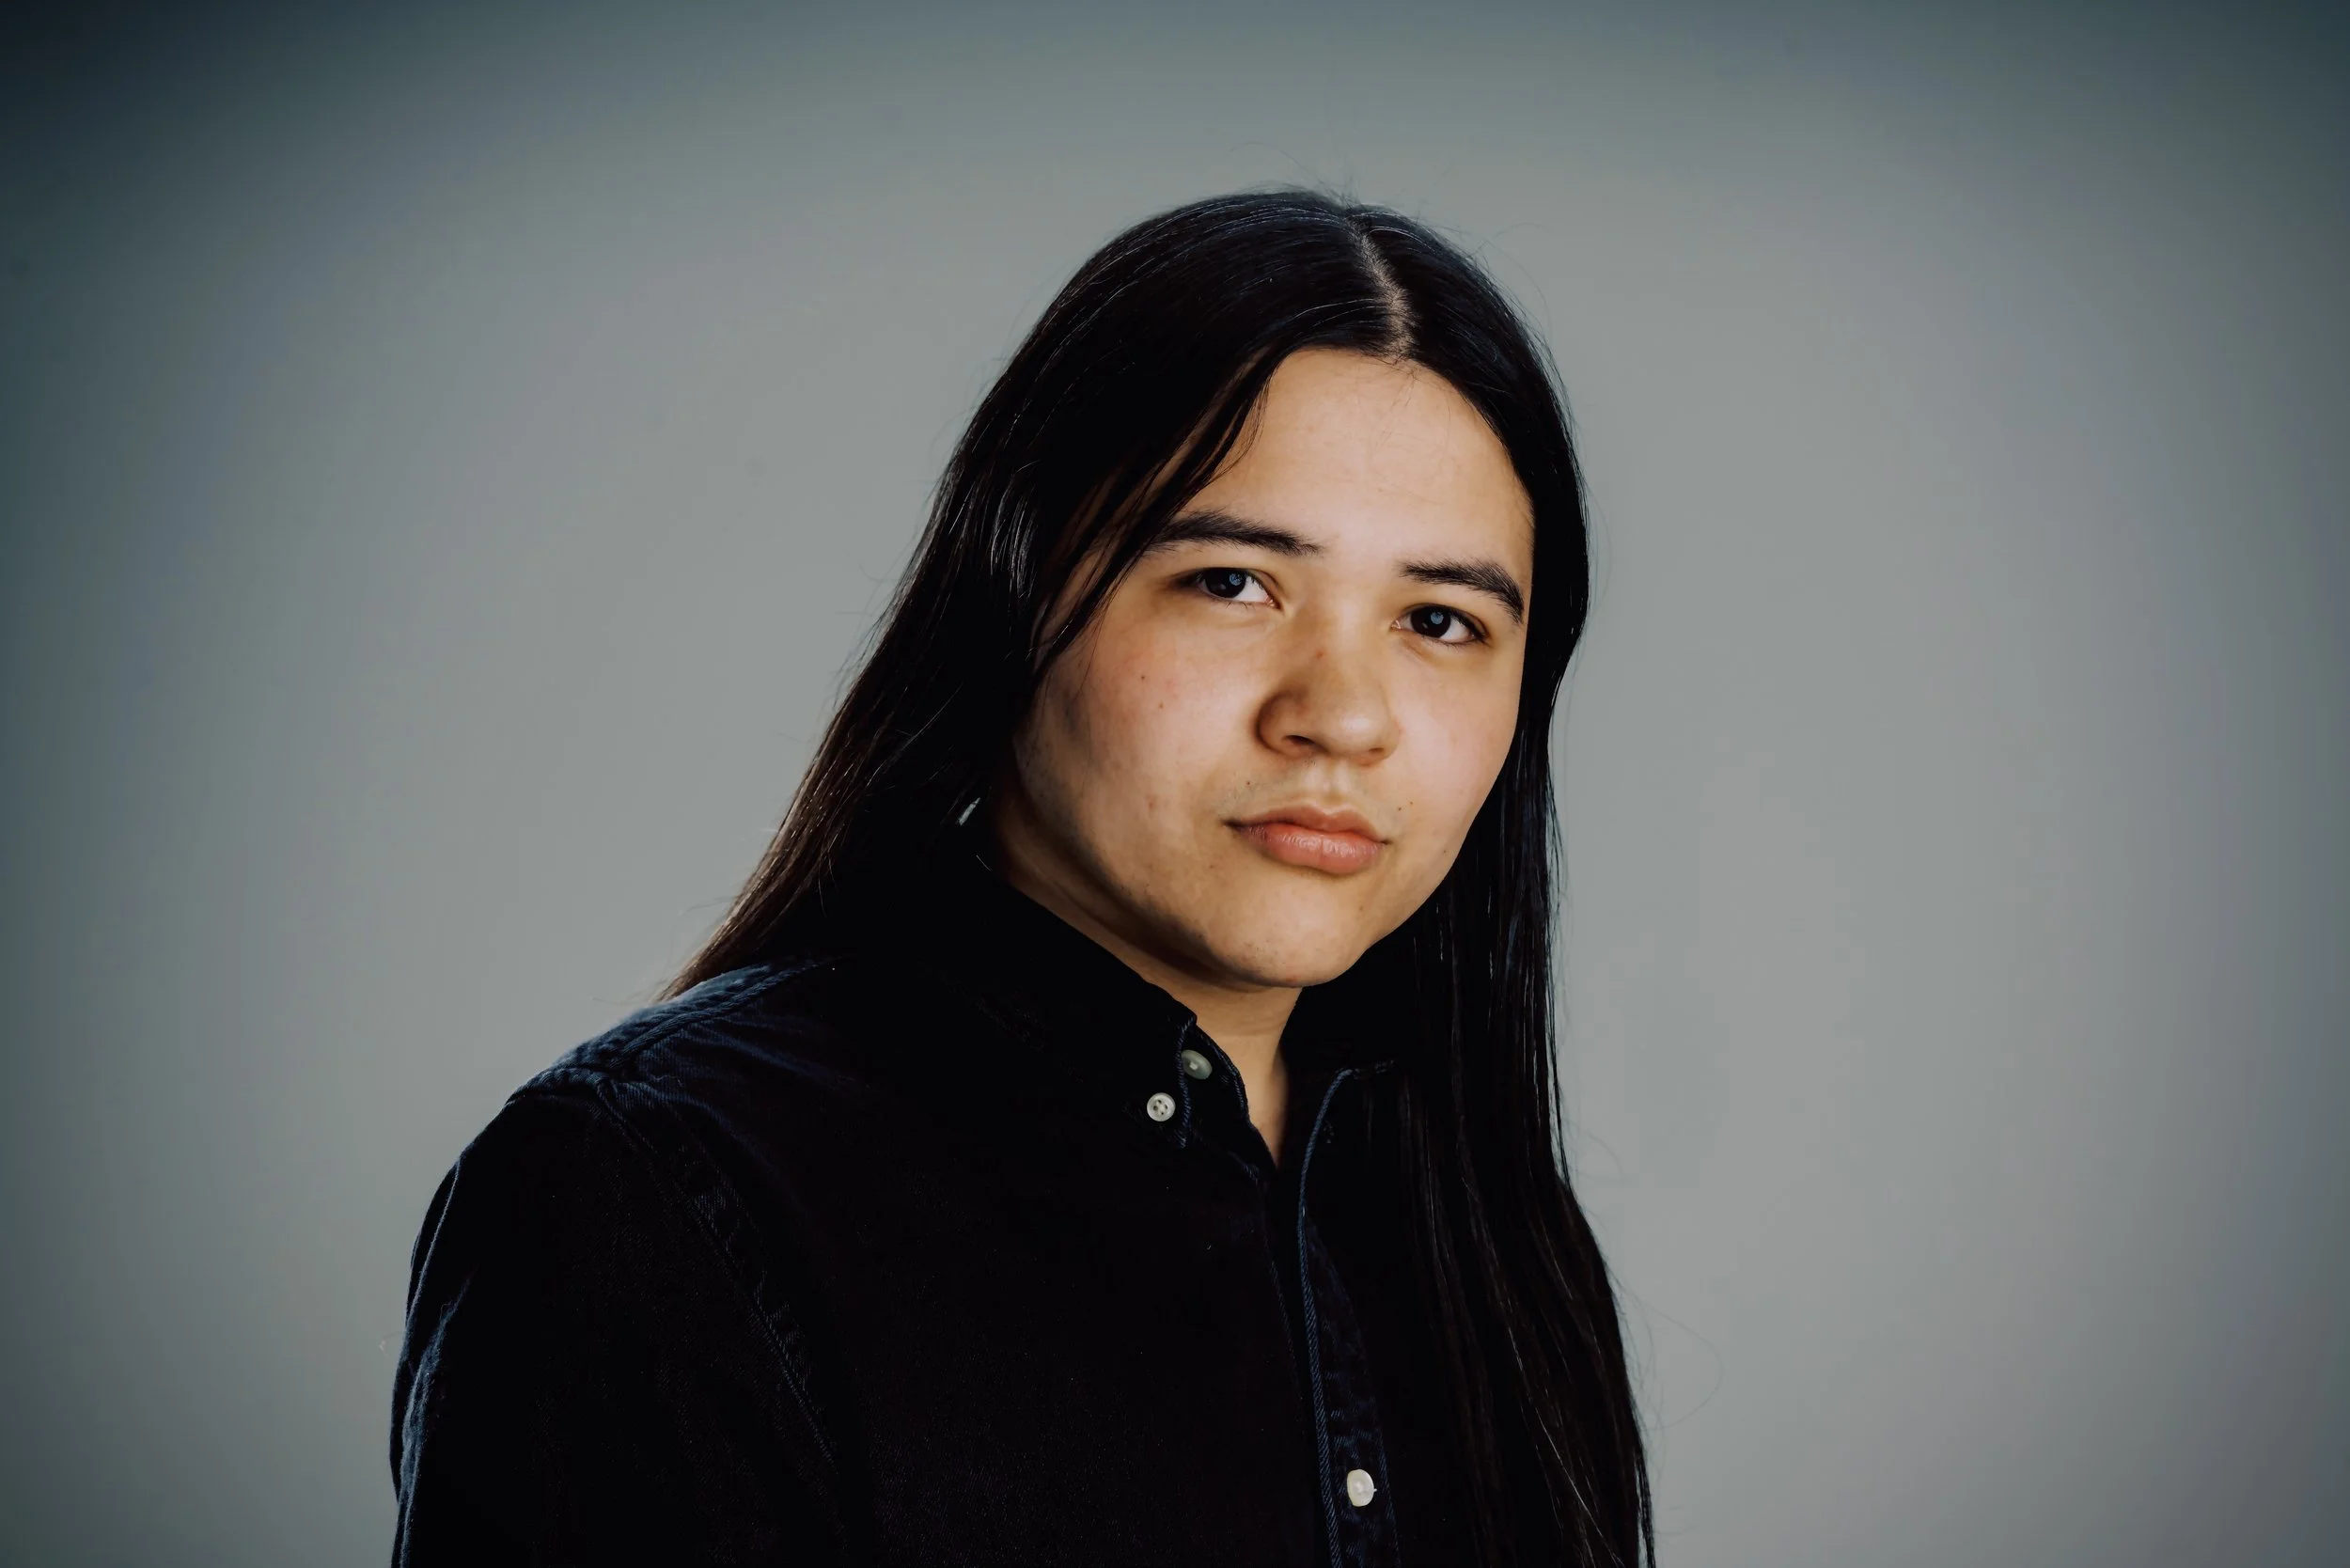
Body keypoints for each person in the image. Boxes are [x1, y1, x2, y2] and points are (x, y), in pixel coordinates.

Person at [388, 189, 1652, 1568]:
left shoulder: (1466, 1206)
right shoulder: (654, 1202)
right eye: (1232, 583)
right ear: (1012, 591)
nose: (1342, 715)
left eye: (1440, 620)